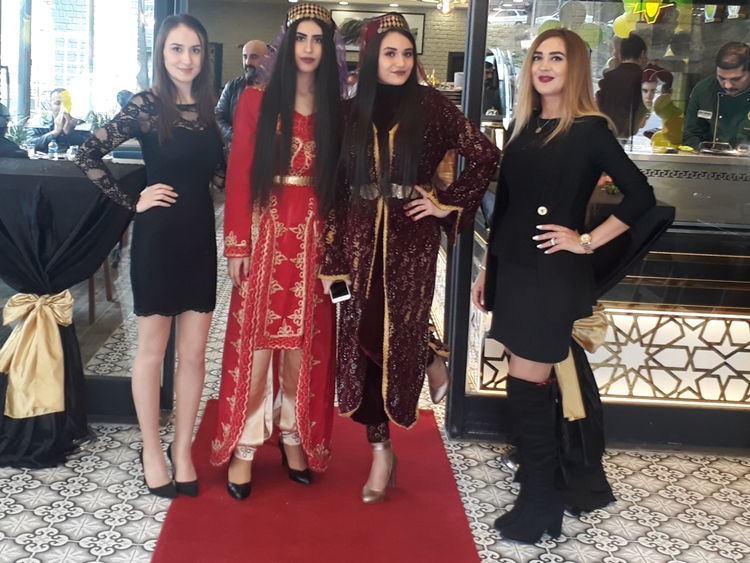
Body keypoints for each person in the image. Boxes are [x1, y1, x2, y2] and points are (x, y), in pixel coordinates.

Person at [471, 28, 655, 543]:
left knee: (525, 382)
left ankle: (543, 499)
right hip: (514, 270)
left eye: (557, 58)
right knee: (523, 381)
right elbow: (507, 208)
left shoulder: (590, 130)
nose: (544, 66)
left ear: (575, 68)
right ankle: (540, 494)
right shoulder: (523, 124)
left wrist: (587, 240)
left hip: (549, 275)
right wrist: (487, 269)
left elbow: (641, 198)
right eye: (538, 57)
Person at [321, 13, 498, 504]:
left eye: (406, 53)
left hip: (410, 239)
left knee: (398, 325)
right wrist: (331, 258)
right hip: (358, 240)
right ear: (371, 57)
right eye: (389, 53)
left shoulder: (432, 106)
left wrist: (446, 203)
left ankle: (418, 365)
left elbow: (484, 154)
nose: (399, 62)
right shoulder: (347, 112)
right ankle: (384, 441)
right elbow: (333, 191)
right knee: (364, 336)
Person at [75, 14, 225, 498]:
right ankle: (153, 450)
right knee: (152, 351)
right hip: (157, 241)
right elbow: (87, 153)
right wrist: (131, 201)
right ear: (161, 54)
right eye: (177, 49)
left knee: (194, 355)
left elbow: (218, 177)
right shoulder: (146, 105)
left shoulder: (208, 111)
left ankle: (182, 449)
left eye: (195, 49)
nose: (187, 58)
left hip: (200, 241)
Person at [210, 2, 347, 501]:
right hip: (266, 232)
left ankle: (294, 435)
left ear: (328, 49)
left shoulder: (337, 107)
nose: (308, 48)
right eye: (301, 38)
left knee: (306, 344)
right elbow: (240, 174)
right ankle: (245, 446)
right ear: (287, 45)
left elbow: (342, 186)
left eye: (318, 40)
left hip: (315, 237)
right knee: (256, 344)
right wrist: (237, 244)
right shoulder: (256, 99)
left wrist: (338, 254)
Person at [682, 42, 750, 150]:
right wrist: (703, 153)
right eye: (721, 78)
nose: (727, 85)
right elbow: (690, 135)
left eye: (736, 79)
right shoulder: (703, 91)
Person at [596, 33, 648, 138]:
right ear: (643, 54)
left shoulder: (608, 78)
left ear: (620, 55)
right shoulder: (643, 79)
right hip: (629, 136)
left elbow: (598, 107)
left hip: (605, 134)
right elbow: (642, 119)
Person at [215, 40, 267, 143]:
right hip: (236, 148)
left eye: (254, 57)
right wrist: (234, 135)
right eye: (245, 57)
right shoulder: (232, 86)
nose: (248, 62)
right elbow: (217, 117)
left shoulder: (277, 89)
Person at [27, 88, 88, 152]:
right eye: (58, 103)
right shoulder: (40, 123)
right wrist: (55, 132)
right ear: (50, 105)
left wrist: (69, 132)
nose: (63, 108)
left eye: (66, 103)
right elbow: (30, 144)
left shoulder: (80, 124)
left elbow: (89, 147)